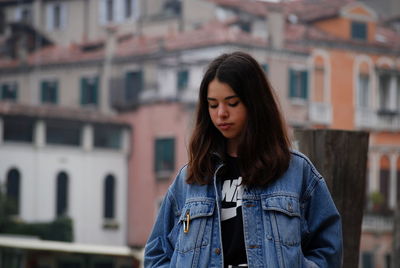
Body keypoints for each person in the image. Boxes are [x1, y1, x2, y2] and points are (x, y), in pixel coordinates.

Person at [144, 51, 342, 268]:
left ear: (254, 103)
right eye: (213, 104)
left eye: (232, 103)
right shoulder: (189, 180)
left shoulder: (296, 171)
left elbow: (328, 251)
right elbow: (156, 255)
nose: (221, 114)